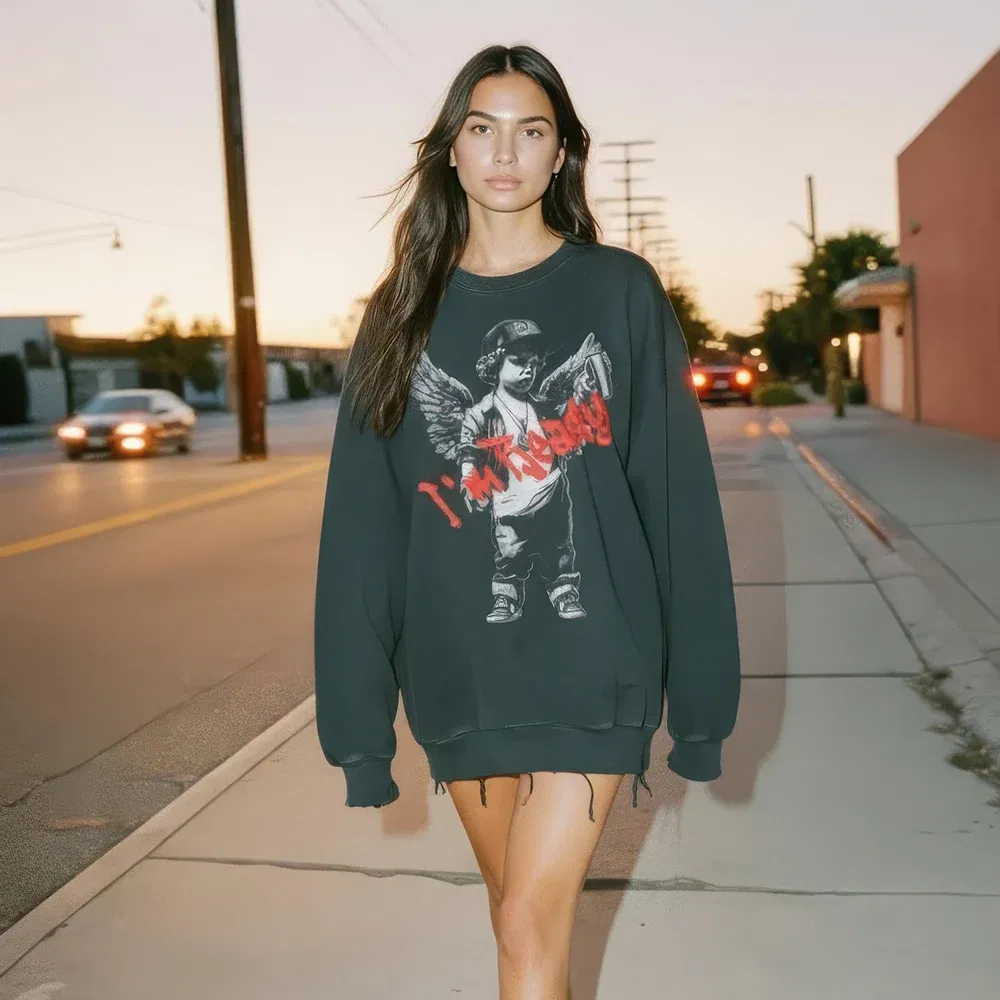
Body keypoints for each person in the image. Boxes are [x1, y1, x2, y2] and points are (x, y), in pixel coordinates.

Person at [314, 43, 741, 1000]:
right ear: (451, 151)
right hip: (461, 673)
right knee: (518, 916)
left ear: (561, 155)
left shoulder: (621, 292)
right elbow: (363, 536)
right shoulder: (399, 320)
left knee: (525, 927)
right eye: (483, 127)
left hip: (596, 663)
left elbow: (677, 505)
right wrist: (359, 731)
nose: (506, 152)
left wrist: (702, 708)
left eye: (531, 130)